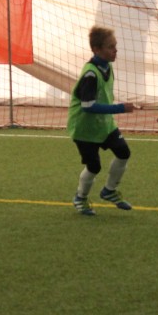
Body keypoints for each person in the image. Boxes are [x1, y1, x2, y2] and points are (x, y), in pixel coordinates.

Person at [68, 25, 135, 216]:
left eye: (115, 46)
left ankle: (109, 191)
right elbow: (87, 106)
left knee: (123, 152)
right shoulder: (90, 74)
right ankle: (80, 198)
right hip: (84, 128)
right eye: (110, 47)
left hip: (104, 125)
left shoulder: (107, 67)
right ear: (97, 49)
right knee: (94, 166)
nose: (115, 50)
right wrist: (119, 108)